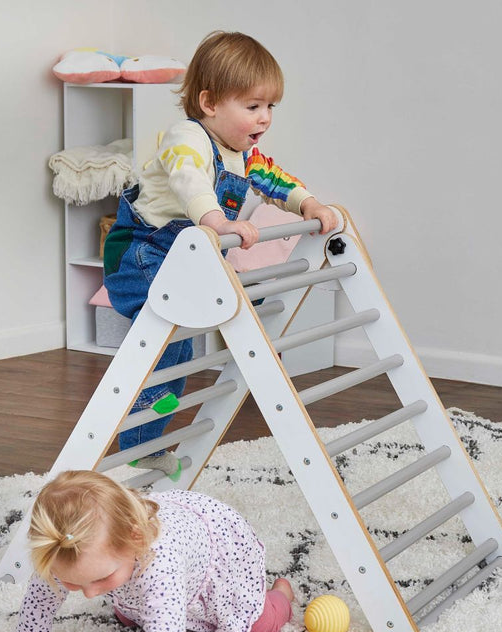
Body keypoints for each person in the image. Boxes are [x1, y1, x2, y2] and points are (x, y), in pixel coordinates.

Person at [103, 30, 338, 477]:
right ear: (209, 103)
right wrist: (217, 221)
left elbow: (276, 181)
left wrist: (308, 203)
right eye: (252, 106)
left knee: (179, 351)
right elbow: (188, 179)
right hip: (141, 252)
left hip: (183, 255)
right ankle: (143, 403)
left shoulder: (243, 155)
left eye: (270, 106)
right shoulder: (186, 138)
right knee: (165, 338)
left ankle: (143, 447)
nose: (264, 118)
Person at [0, 470, 294, 632]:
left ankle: (281, 594)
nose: (90, 594)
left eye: (101, 579)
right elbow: (39, 602)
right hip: (149, 573)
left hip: (219, 555)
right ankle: (126, 594)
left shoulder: (161, 563)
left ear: (135, 539)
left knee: (257, 625)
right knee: (128, 614)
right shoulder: (57, 550)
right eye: (74, 583)